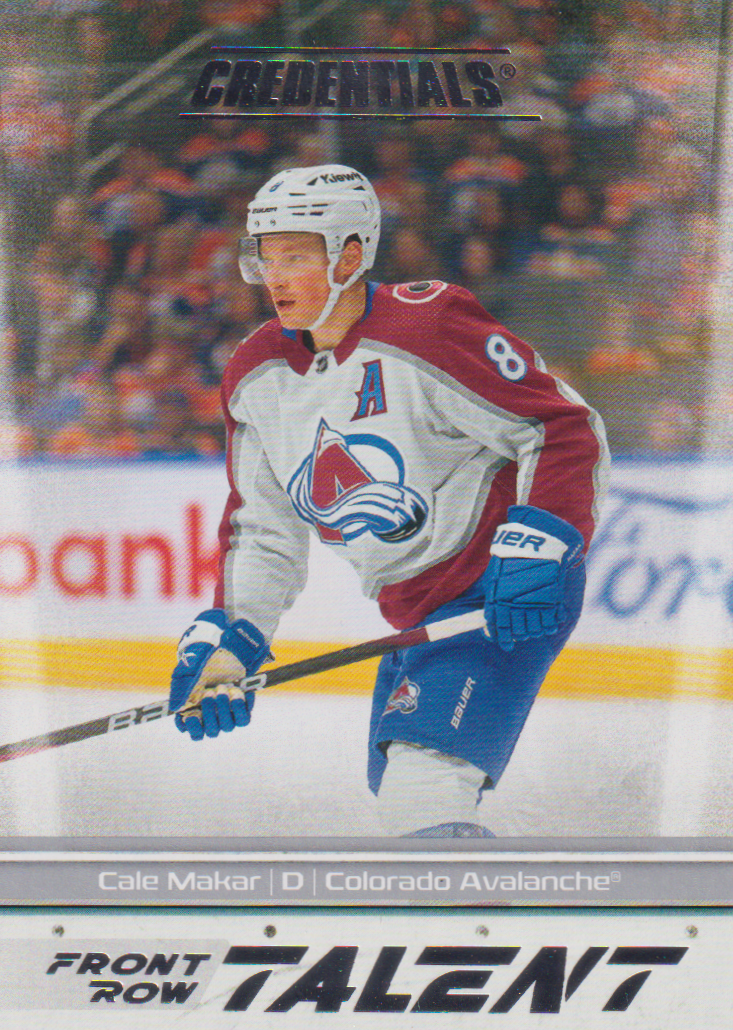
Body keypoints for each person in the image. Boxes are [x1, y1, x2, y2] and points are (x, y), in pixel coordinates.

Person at [169, 163, 610, 838]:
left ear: (349, 256)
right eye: (266, 256)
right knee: (404, 798)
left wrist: (542, 541)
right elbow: (261, 529)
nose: (275, 276)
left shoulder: (427, 324)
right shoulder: (255, 373)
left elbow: (560, 428)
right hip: (415, 612)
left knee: (421, 795)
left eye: (296, 256)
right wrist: (232, 642)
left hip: (498, 592)